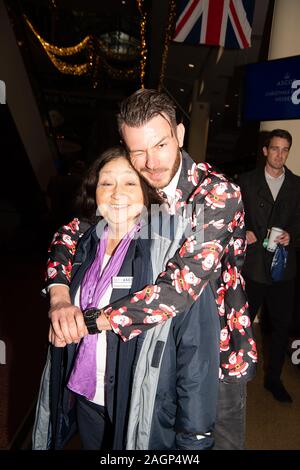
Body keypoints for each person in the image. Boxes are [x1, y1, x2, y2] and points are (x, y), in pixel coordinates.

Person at [47, 89, 257, 450]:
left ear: (179, 134)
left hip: (214, 355)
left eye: (160, 145)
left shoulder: (216, 195)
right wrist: (60, 295)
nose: (151, 162)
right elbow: (74, 232)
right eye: (138, 151)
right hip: (154, 353)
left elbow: (179, 286)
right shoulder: (142, 182)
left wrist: (92, 321)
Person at [33, 146, 220, 450]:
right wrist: (59, 296)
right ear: (95, 190)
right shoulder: (85, 238)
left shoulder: (174, 248)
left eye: (130, 182)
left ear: (148, 191)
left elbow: (197, 354)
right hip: (87, 397)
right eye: (107, 182)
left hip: (145, 405)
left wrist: (195, 439)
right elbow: (61, 241)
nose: (117, 192)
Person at [238, 129, 300, 403]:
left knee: (280, 326)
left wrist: (292, 236)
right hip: (252, 267)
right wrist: (244, 231)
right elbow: (232, 217)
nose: (280, 155)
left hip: (283, 268)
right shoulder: (246, 182)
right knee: (242, 324)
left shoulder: (297, 185)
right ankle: (235, 375)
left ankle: (273, 379)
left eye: (285, 149)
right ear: (265, 150)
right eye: (275, 148)